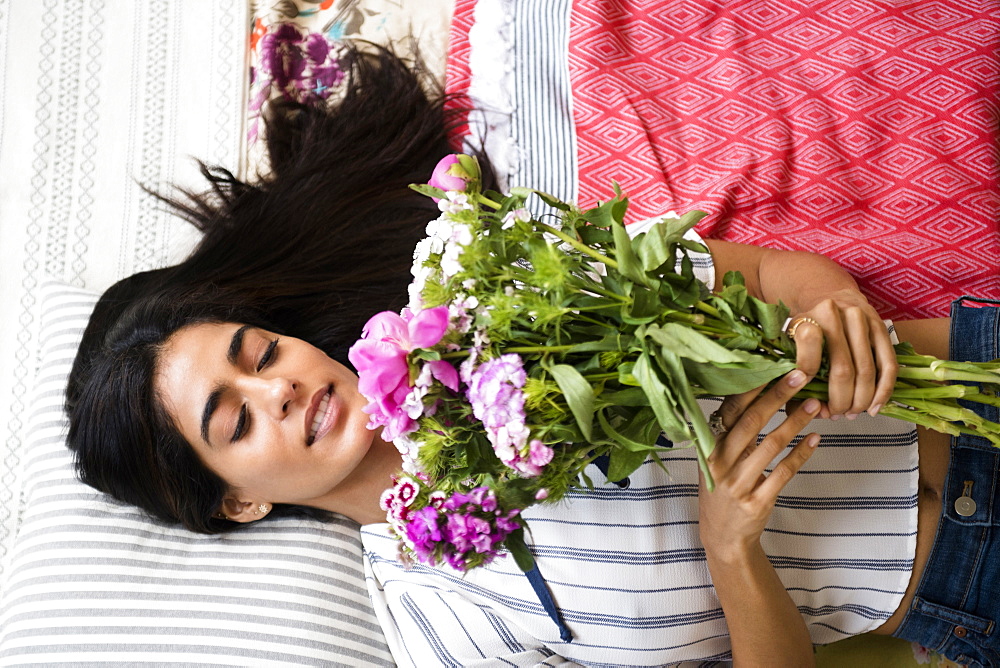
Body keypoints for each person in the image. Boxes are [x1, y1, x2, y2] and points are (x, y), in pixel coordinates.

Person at [65, 46, 998, 667]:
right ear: (239, 498)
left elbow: (764, 275)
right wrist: (731, 550)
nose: (280, 387)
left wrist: (826, 309)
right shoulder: (441, 621)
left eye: (260, 351)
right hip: (966, 580)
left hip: (973, 371)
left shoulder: (488, 299)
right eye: (234, 418)